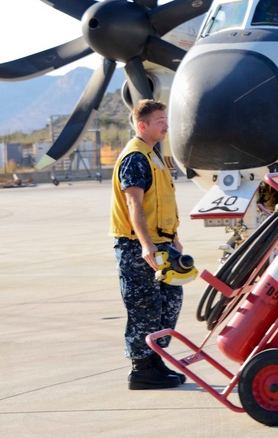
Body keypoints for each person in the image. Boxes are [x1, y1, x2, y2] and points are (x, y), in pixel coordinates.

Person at [110, 99, 185, 389]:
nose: (166, 125)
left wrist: (174, 239)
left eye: (166, 119)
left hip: (163, 243)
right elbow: (134, 204)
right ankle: (141, 369)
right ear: (142, 125)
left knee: (169, 300)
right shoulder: (136, 157)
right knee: (144, 306)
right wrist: (145, 245)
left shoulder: (154, 155)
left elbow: (162, 202)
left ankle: (155, 358)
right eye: (159, 121)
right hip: (137, 246)